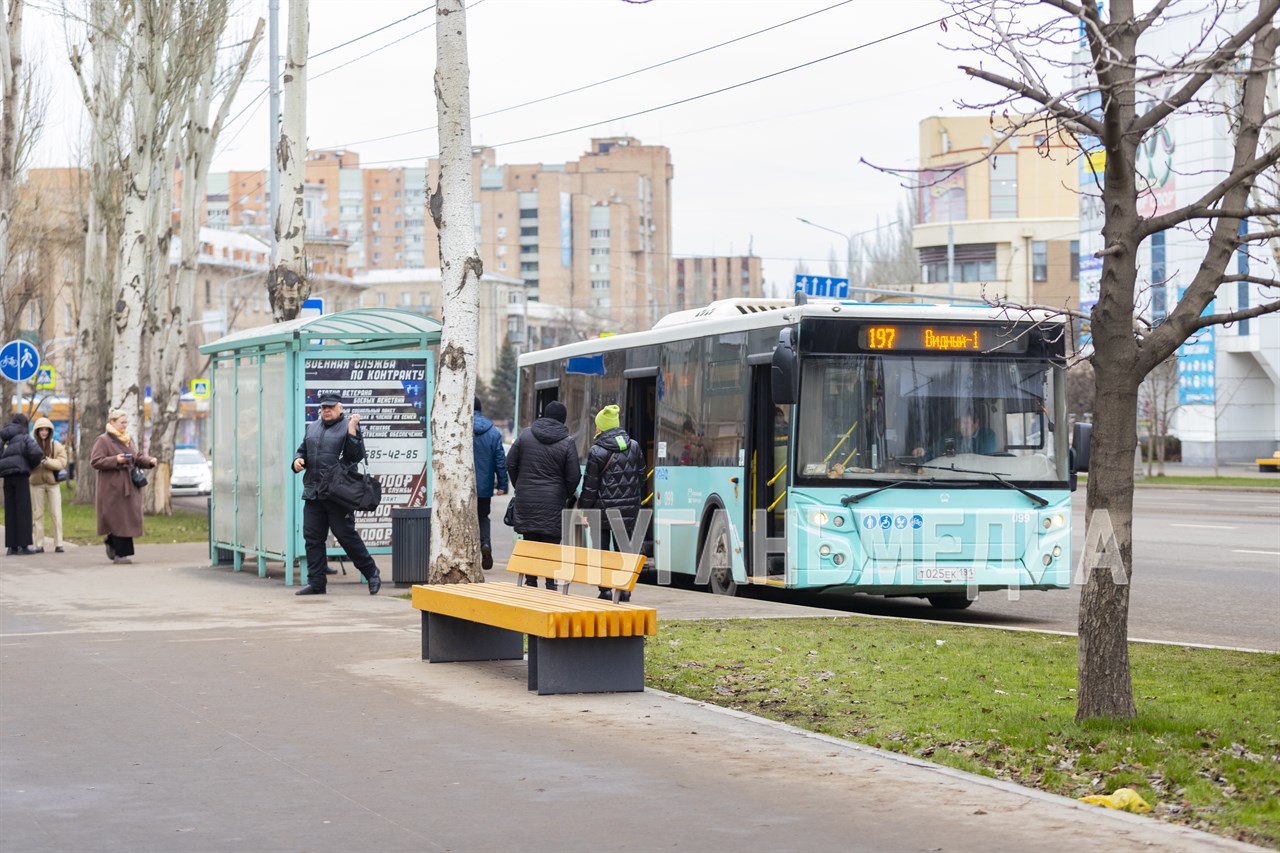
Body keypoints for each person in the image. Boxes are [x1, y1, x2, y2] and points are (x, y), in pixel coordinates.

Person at [291, 394, 381, 596]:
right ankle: (316, 583)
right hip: (313, 493)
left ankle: (371, 572)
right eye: (323, 407)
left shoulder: (348, 426)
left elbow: (355, 456)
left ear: (340, 408)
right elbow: (302, 451)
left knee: (346, 536)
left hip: (338, 494)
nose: (326, 410)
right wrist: (297, 461)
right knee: (312, 539)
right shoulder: (312, 427)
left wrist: (351, 430)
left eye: (330, 407)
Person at [505, 400, 580, 590]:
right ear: (562, 419)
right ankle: (550, 586)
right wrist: (565, 494)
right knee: (551, 546)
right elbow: (574, 476)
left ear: (544, 415)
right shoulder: (567, 442)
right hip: (554, 502)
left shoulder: (525, 435)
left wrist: (520, 485)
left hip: (526, 500)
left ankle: (530, 584)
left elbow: (510, 463)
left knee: (530, 544)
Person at [578, 405, 644, 602]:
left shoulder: (596, 451)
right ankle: (625, 589)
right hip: (628, 509)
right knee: (624, 549)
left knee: (601, 550)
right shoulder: (634, 446)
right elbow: (642, 475)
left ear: (601, 427)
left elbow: (590, 486)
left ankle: (605, 590)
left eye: (597, 425)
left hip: (602, 510)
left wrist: (585, 511)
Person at [90, 410, 157, 564]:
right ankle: (121, 554)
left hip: (129, 486)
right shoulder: (103, 440)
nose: (125, 425)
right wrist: (116, 460)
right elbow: (95, 461)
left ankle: (112, 543)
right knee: (118, 519)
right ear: (112, 422)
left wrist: (149, 461)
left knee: (126, 519)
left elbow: (137, 456)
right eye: (122, 422)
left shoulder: (127, 439)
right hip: (112, 487)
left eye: (126, 422)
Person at [472, 396, 508, 571]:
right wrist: (502, 484)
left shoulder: (458, 428)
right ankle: (485, 544)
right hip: (484, 487)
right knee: (483, 517)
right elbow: (500, 461)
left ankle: (467, 553)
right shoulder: (493, 432)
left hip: (463, 489)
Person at [1, 414, 45, 556]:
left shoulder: (4, 438)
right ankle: (24, 545)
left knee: (10, 511)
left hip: (7, 476)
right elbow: (36, 453)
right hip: (20, 475)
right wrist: (29, 466)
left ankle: (11, 547)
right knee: (23, 510)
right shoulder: (24, 437)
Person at [29, 417, 68, 553]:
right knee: (37, 514)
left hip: (53, 484)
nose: (44, 432)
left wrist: (46, 461)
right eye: (41, 430)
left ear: (50, 431)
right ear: (37, 431)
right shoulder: (31, 445)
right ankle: (39, 544)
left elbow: (62, 463)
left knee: (56, 513)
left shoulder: (56, 445)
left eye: (46, 430)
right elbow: (27, 463)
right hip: (36, 484)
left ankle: (59, 543)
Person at [914, 409, 997, 459]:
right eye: (960, 423)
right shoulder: (952, 435)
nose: (962, 427)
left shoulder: (987, 435)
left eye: (966, 423)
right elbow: (934, 450)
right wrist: (923, 452)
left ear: (976, 423)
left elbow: (985, 458)